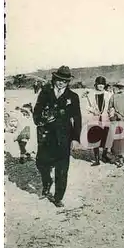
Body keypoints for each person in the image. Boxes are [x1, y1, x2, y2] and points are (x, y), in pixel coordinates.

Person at [33, 66, 82, 208]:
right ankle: (47, 181)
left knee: (62, 169)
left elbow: (77, 118)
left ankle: (58, 197)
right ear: (55, 79)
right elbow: (36, 111)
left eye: (65, 81)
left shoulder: (73, 97)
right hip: (46, 136)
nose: (61, 83)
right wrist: (41, 121)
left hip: (64, 138)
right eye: (59, 80)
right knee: (41, 163)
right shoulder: (45, 92)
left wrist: (75, 139)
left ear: (68, 82)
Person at [84, 76, 112, 166]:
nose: (101, 86)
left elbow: (112, 106)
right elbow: (86, 106)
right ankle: (97, 159)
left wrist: (111, 113)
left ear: (104, 85)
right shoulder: (90, 94)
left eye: (102, 84)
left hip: (105, 118)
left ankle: (104, 154)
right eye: (99, 84)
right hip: (94, 118)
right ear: (96, 84)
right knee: (95, 139)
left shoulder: (109, 94)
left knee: (106, 138)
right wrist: (93, 110)